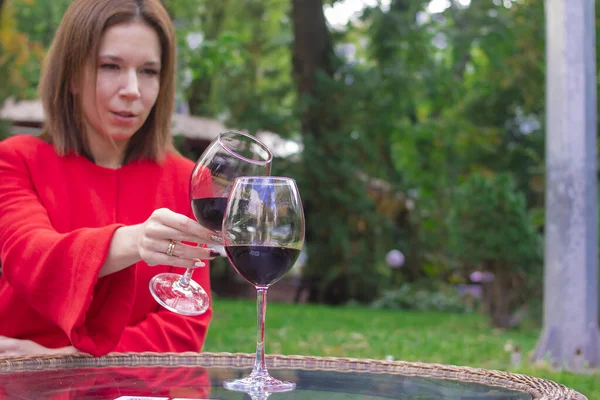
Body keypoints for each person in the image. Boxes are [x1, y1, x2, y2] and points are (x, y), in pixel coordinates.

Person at [0, 0, 219, 357]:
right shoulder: (15, 160)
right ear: (71, 75)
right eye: (110, 66)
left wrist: (62, 360)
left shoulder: (188, 181)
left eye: (149, 71)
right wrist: (136, 241)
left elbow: (184, 327)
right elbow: (31, 256)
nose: (132, 89)